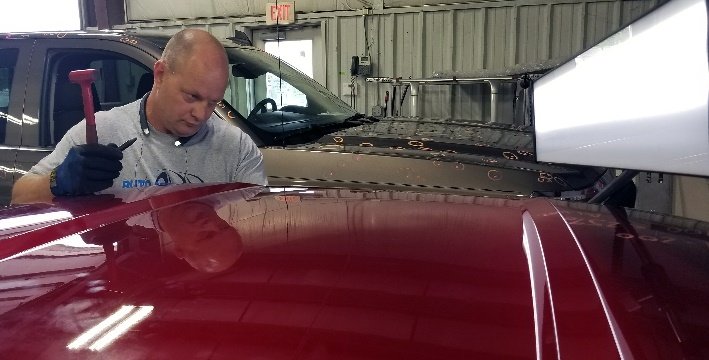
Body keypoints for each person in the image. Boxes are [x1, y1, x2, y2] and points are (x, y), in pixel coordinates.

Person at [11, 29, 266, 204]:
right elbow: (19, 196)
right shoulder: (102, 132)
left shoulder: (237, 149)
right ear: (160, 74)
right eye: (191, 97)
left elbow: (254, 217)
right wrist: (59, 181)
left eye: (212, 102)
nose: (200, 114)